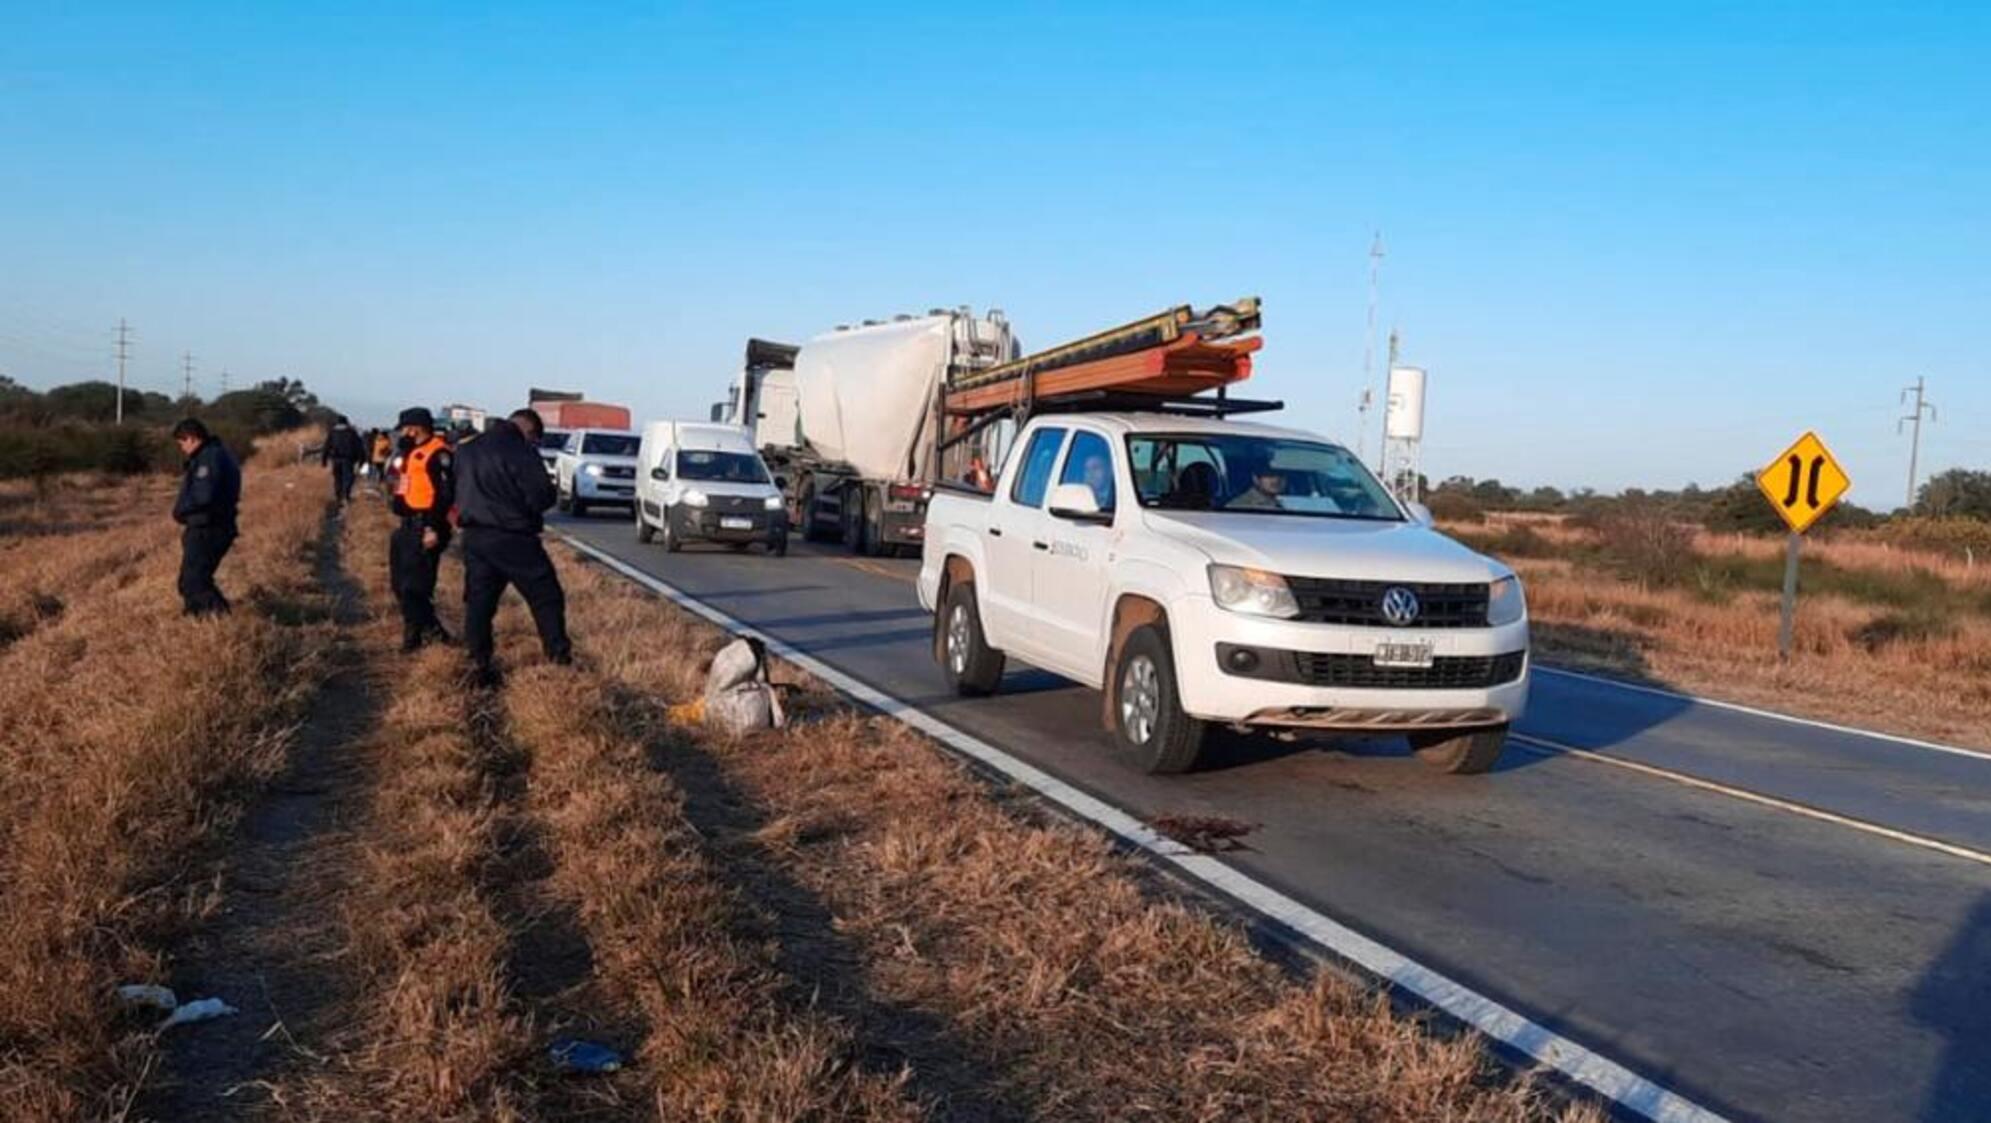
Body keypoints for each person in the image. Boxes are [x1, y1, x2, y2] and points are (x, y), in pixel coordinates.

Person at [454, 407, 572, 682]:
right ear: (529, 431)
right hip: (514, 536)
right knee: (546, 598)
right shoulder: (519, 450)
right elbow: (542, 494)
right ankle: (558, 661)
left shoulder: (468, 449)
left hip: (474, 536)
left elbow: (454, 490)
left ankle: (477, 664)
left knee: (479, 604)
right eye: (534, 440)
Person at [388, 407, 455, 651]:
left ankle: (426, 637)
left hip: (425, 525)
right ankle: (423, 633)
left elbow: (444, 495)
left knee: (414, 589)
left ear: (416, 427)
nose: (403, 433)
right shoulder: (410, 451)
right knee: (399, 586)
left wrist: (432, 528)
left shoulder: (438, 454)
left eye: (406, 428)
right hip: (406, 526)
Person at [170, 418, 242, 617]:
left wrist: (181, 510)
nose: (182, 448)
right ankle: (196, 620)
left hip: (209, 528)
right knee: (191, 580)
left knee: (195, 582)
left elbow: (204, 495)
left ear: (192, 438)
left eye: (182, 443)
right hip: (210, 526)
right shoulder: (215, 453)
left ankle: (221, 619)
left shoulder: (209, 458)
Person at [320, 414, 365, 505]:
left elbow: (326, 446)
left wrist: (324, 460)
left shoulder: (332, 432)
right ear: (346, 422)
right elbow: (359, 447)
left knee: (337, 478)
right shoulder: (352, 432)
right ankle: (346, 495)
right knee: (348, 478)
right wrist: (361, 461)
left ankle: (339, 497)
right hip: (348, 460)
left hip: (335, 459)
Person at [369, 428, 393, 494]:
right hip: (383, 458)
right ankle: (380, 482)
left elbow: (373, 448)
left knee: (377, 470)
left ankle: (375, 481)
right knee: (382, 471)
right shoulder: (387, 441)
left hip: (375, 458)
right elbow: (390, 449)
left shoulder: (376, 440)